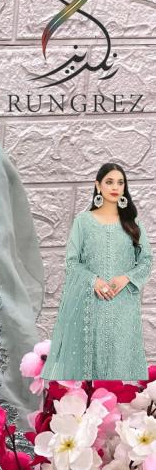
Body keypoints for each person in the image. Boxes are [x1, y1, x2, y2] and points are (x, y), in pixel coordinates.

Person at [42, 161, 152, 382]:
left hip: (123, 306)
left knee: (121, 369)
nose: (115, 187)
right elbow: (72, 262)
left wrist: (126, 278)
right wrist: (93, 280)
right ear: (98, 185)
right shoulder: (83, 222)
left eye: (120, 182)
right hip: (91, 304)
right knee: (89, 368)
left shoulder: (132, 223)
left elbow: (147, 261)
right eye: (109, 182)